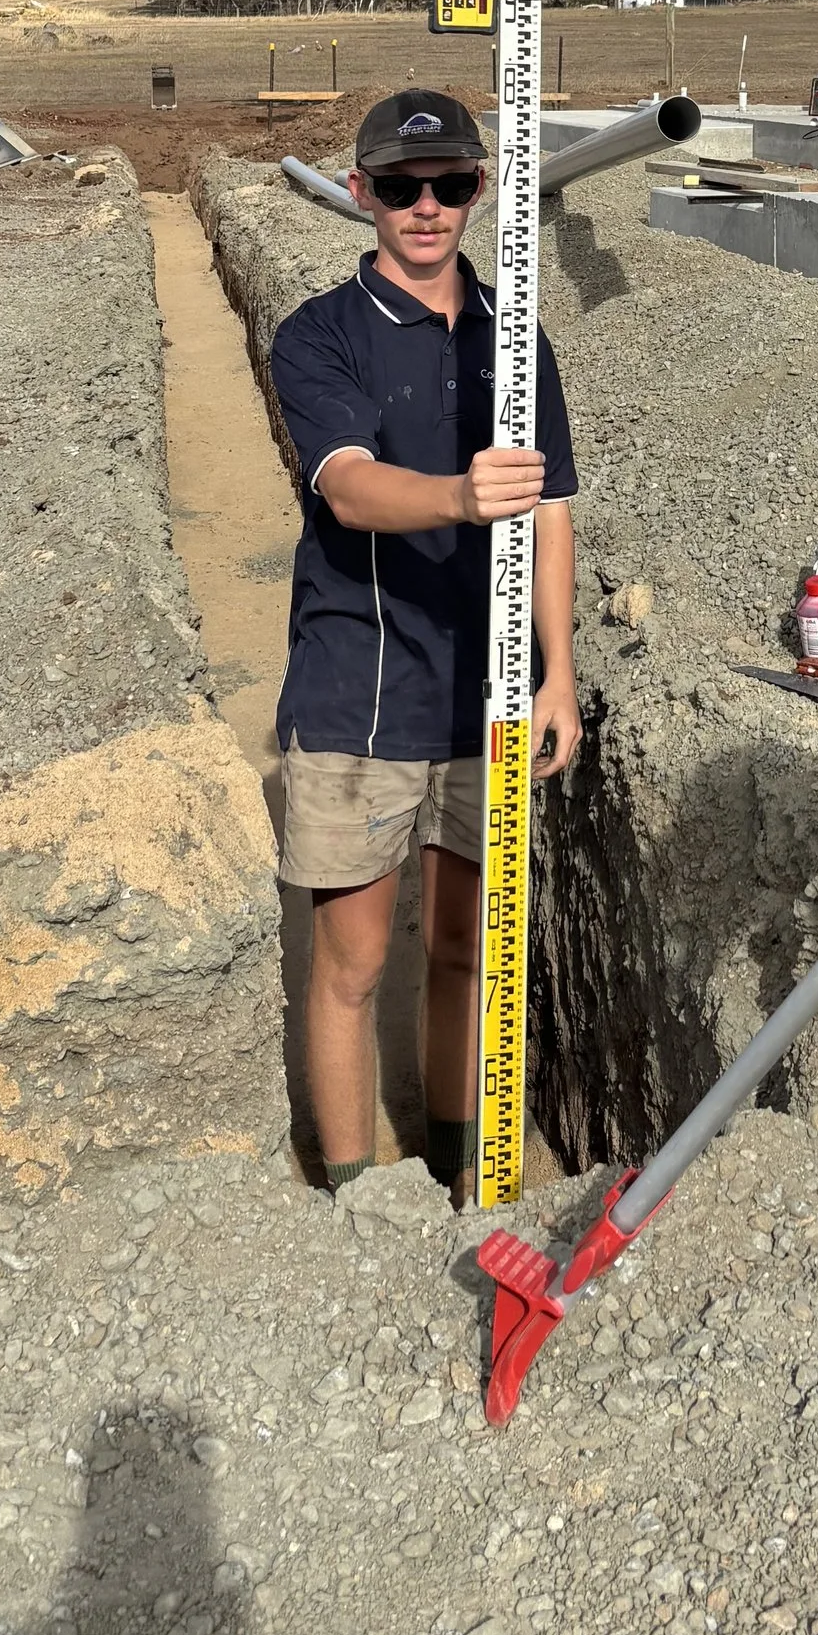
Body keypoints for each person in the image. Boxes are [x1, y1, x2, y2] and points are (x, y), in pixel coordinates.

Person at [267, 85, 580, 1195]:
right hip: (361, 695)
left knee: (464, 951)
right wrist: (457, 496)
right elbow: (348, 491)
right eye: (400, 189)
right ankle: (356, 1187)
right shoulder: (317, 336)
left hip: (483, 700)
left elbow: (549, 511)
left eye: (449, 185)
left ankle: (462, 1160)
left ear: (477, 189)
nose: (426, 207)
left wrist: (558, 677)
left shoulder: (516, 335)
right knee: (354, 963)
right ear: (361, 195)